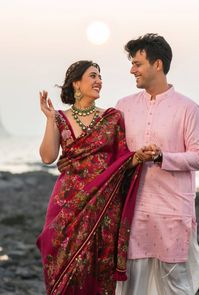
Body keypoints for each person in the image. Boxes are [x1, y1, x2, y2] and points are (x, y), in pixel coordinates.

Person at [36, 60, 150, 295]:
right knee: (58, 256)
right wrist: (49, 119)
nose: (99, 81)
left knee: (99, 264)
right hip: (67, 202)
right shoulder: (59, 118)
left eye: (100, 76)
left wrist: (138, 157)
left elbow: (122, 159)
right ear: (76, 83)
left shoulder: (112, 118)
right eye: (93, 76)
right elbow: (47, 157)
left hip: (104, 204)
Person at [115, 34, 199, 295]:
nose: (132, 69)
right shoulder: (123, 107)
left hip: (172, 212)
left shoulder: (187, 108)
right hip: (134, 211)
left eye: (137, 63)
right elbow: (112, 155)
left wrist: (161, 157)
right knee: (131, 284)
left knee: (176, 287)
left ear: (157, 65)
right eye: (132, 64)